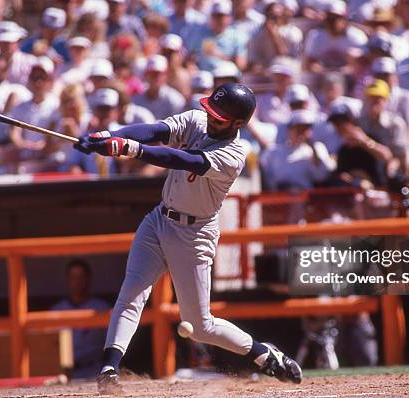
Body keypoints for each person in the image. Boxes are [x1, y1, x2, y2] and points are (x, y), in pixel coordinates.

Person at [74, 83, 302, 394]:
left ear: (238, 123)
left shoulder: (234, 154)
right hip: (159, 220)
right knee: (132, 292)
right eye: (211, 111)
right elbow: (154, 130)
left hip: (195, 234)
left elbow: (183, 160)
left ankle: (263, 353)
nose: (210, 118)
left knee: (200, 326)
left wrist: (129, 149)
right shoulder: (197, 119)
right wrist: (111, 135)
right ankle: (110, 369)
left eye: (219, 117)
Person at [52, 259, 110, 379]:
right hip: (65, 374)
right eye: (73, 277)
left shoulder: (102, 308)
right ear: (67, 280)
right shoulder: (56, 311)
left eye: (81, 277)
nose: (77, 281)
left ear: (88, 279)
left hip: (95, 370)